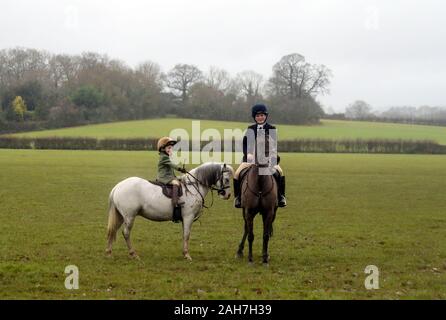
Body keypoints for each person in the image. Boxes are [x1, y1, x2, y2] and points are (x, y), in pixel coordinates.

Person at [233, 104, 287, 208]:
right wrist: (248, 154)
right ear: (254, 117)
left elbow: (273, 145)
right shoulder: (250, 129)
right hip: (250, 159)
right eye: (257, 116)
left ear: (266, 116)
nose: (260, 117)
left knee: (280, 172)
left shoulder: (272, 129)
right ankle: (238, 197)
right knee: (237, 174)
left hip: (268, 160)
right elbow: (245, 144)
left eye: (262, 115)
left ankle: (281, 196)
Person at [156, 137, 187, 222]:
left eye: (171, 148)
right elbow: (172, 165)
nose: (171, 149)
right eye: (169, 148)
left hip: (169, 176)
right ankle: (175, 202)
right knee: (176, 183)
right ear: (162, 149)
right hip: (164, 177)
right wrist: (180, 169)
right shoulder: (164, 157)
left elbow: (170, 169)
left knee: (182, 180)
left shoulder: (166, 156)